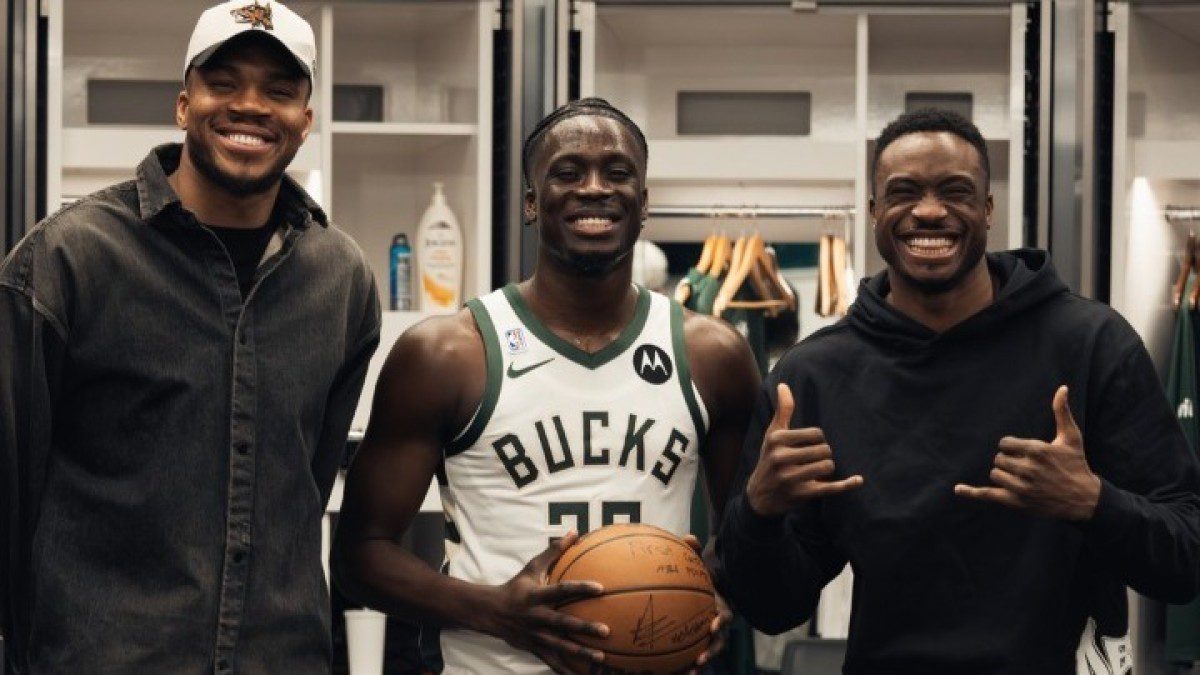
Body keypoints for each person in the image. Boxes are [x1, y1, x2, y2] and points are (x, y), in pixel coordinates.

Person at [715, 108, 1200, 675]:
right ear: (873, 211)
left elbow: (1186, 557)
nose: (928, 210)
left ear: (988, 209)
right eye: (904, 192)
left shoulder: (1091, 344)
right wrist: (759, 512)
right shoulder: (813, 377)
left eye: (955, 191)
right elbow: (774, 608)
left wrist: (1095, 503)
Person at [0, 2, 380, 673]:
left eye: (278, 90)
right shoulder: (68, 260)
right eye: (223, 83)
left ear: (305, 121)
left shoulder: (341, 279)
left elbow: (306, 485)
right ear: (183, 105)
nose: (250, 106)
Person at [332, 97, 759, 674]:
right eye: (568, 172)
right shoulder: (447, 355)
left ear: (643, 204)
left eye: (617, 173)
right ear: (532, 202)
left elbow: (743, 544)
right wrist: (496, 611)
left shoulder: (712, 355)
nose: (594, 188)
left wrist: (711, 598)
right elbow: (359, 556)